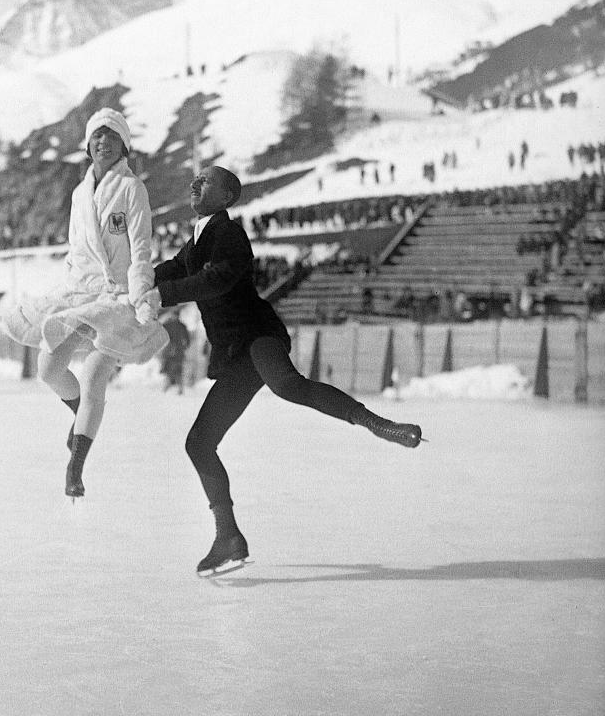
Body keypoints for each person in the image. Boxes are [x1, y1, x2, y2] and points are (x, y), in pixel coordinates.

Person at [154, 166, 423, 576]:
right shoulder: (197, 239)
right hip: (235, 354)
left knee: (287, 385)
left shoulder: (230, 234)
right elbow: (172, 270)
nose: (194, 184)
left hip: (258, 336)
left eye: (205, 181)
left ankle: (380, 424)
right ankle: (228, 535)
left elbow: (215, 281)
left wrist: (163, 293)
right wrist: (134, 283)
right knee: (199, 443)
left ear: (227, 196)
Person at [1, 107, 168, 497]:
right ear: (87, 145)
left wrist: (142, 296)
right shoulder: (80, 194)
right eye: (97, 137)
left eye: (111, 137)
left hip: (117, 295)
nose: (103, 143)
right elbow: (77, 252)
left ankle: (75, 468)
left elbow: (141, 249)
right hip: (80, 292)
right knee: (48, 366)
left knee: (94, 377)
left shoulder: (132, 189)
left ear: (124, 145)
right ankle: (81, 424)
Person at [159, 309, 191, 393]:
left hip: (169, 351)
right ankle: (180, 389)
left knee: (169, 369)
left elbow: (160, 337)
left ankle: (166, 389)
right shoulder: (182, 326)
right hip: (179, 352)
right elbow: (187, 340)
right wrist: (185, 347)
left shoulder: (167, 325)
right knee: (178, 370)